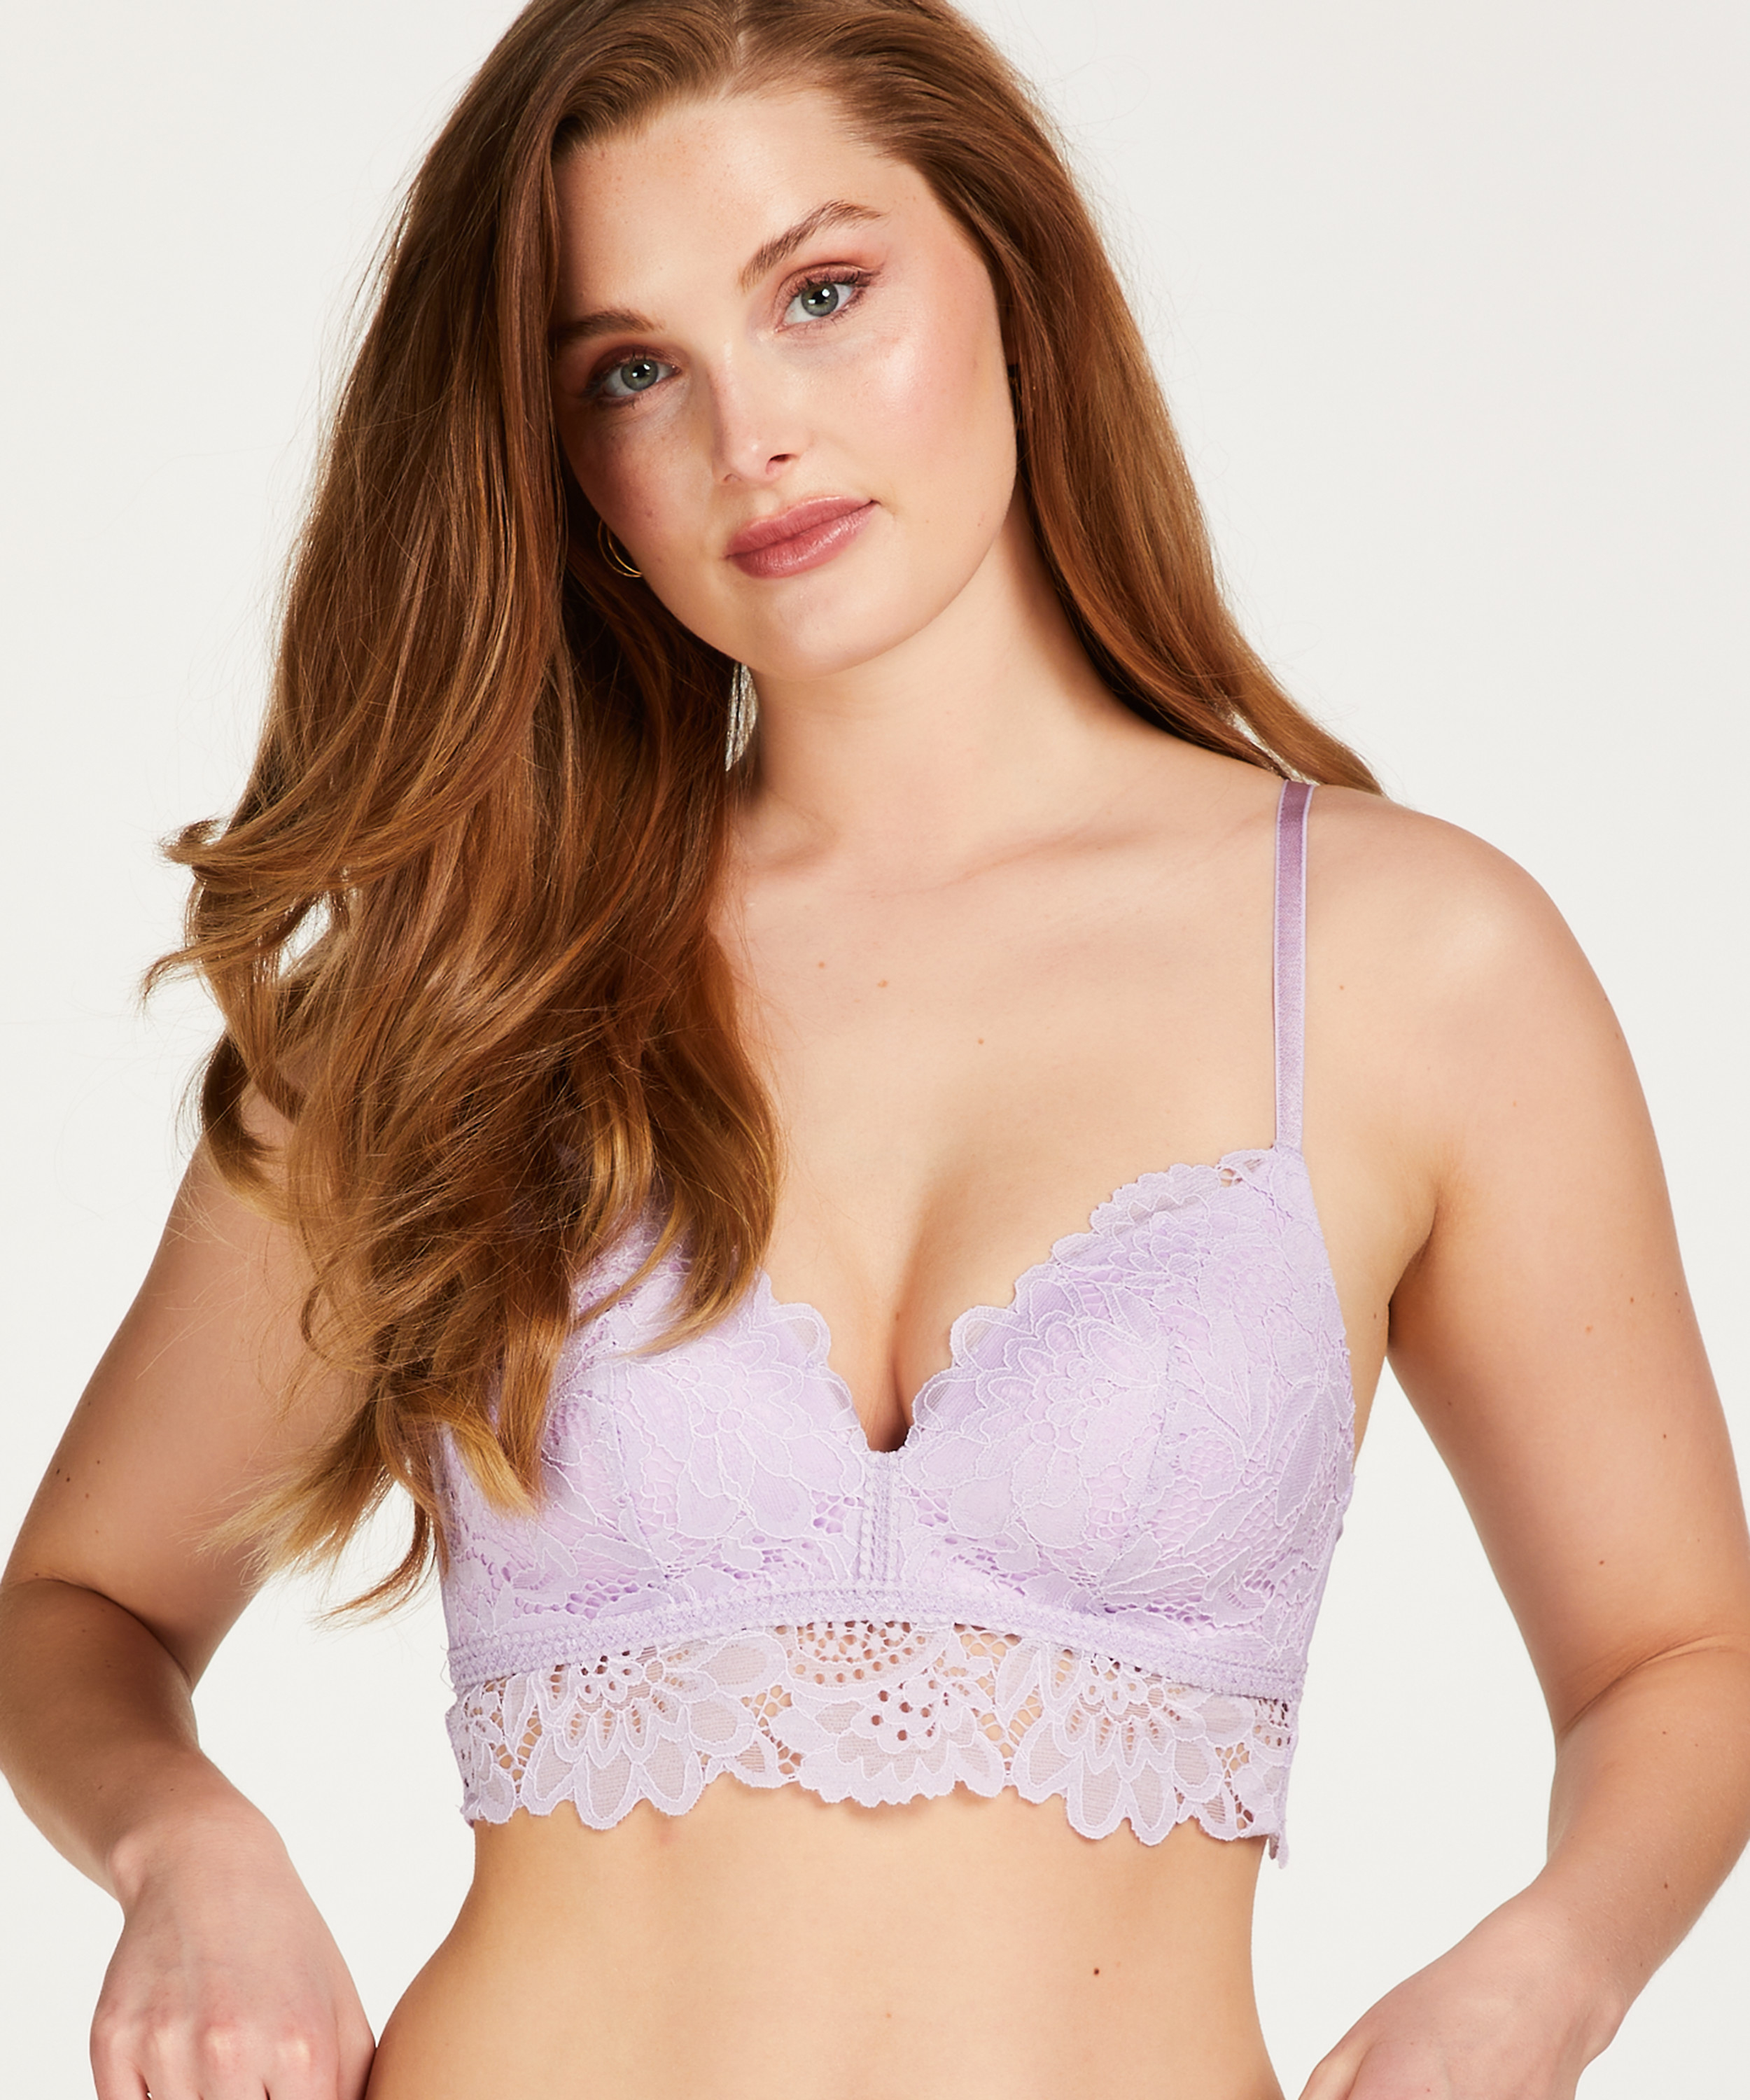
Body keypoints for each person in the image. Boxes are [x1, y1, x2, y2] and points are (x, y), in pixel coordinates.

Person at [3, 1, 1748, 2095]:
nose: (750, 435)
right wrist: (191, 1853)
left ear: (1012, 270)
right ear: (566, 463)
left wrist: (1547, 1973)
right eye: (632, 369)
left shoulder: (1408, 964)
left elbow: (1682, 1654)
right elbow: (76, 1609)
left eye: (821, 294)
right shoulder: (469, 980)